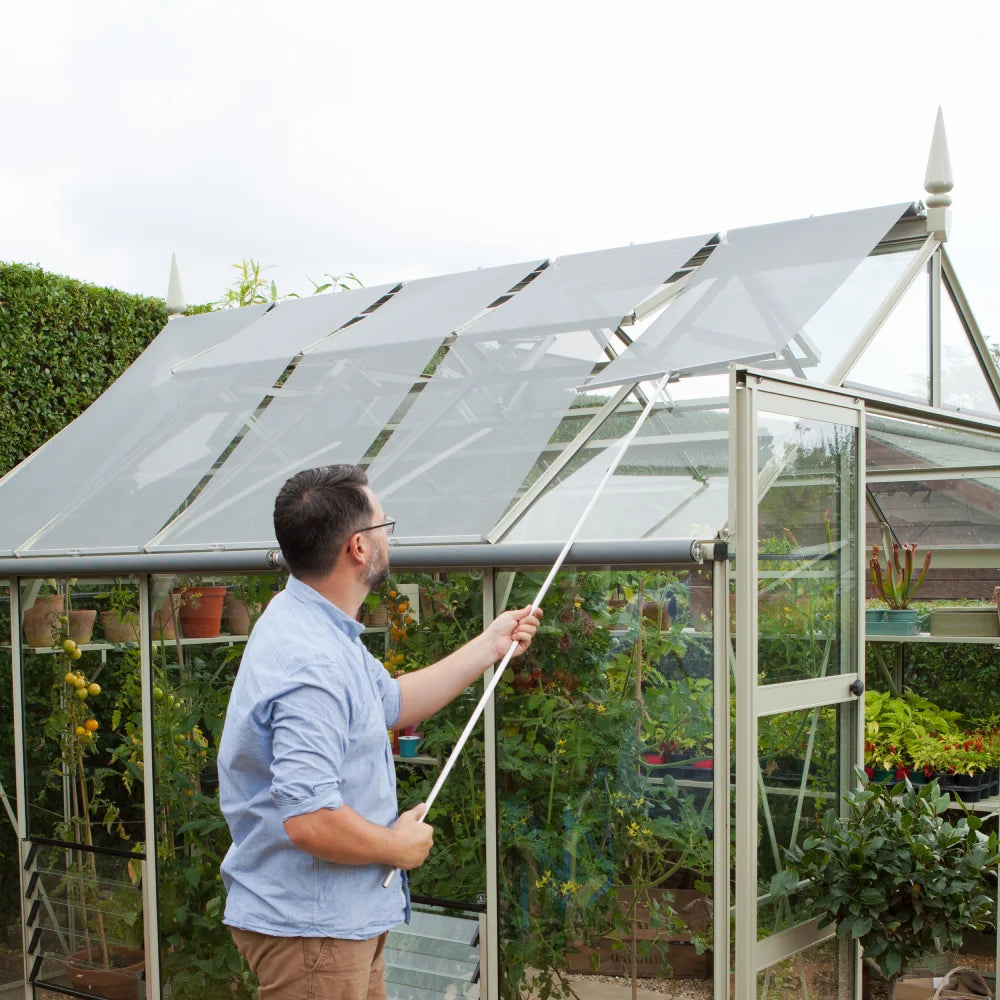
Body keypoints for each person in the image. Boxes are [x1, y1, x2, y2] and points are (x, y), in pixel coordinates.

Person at [217, 464, 541, 1000]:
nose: (391, 534)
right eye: (384, 524)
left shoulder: (313, 624)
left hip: (333, 925)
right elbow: (311, 821)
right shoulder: (310, 663)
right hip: (314, 932)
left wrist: (490, 645)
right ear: (358, 547)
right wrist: (394, 845)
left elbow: (389, 702)